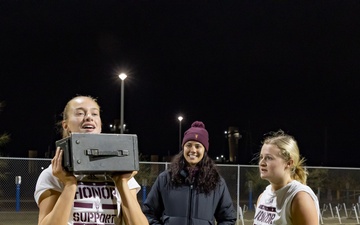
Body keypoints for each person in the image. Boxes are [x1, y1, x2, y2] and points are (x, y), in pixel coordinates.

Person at [34, 95, 148, 225]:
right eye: (80, 113)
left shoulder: (122, 174)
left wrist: (121, 183)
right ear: (66, 126)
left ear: (99, 124)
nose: (89, 117)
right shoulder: (54, 174)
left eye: (94, 113)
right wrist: (70, 184)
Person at [142, 121, 236, 225]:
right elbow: (148, 213)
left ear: (204, 150)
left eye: (198, 146)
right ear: (183, 148)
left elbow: (228, 219)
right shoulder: (165, 178)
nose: (193, 150)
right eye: (189, 145)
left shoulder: (217, 182)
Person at [254, 130, 320, 225]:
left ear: (289, 163)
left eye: (269, 158)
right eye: (261, 157)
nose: (262, 163)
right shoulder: (263, 196)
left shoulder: (300, 198)